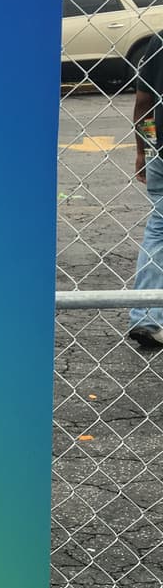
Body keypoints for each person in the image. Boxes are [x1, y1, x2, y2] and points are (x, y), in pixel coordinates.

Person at [129, 32, 163, 350]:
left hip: (161, 151)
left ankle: (147, 315)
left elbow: (144, 104)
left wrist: (144, 150)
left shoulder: (158, 43)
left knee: (158, 230)